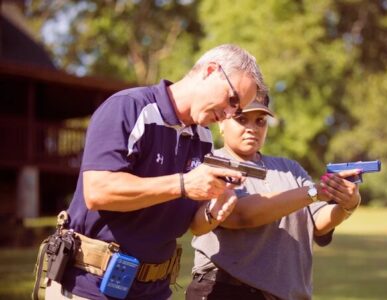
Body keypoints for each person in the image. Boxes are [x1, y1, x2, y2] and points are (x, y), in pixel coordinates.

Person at [43, 44, 267, 299]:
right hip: (88, 286)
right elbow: (97, 191)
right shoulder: (128, 107)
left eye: (236, 110)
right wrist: (183, 184)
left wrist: (213, 210)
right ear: (211, 71)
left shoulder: (203, 137)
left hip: (155, 289)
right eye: (232, 100)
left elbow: (193, 224)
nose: (229, 113)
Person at [185, 97, 362, 300]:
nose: (252, 128)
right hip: (226, 289)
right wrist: (313, 192)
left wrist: (347, 204)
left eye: (260, 121)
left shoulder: (289, 168)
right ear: (222, 123)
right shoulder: (212, 164)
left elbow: (317, 223)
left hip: (287, 293)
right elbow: (242, 215)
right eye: (242, 119)